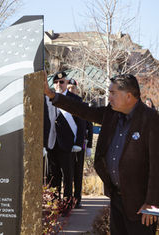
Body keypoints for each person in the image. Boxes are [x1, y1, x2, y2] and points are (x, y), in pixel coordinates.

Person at [44, 72, 159, 235]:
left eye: (112, 93)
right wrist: (52, 95)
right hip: (117, 198)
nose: (108, 97)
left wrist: (151, 203)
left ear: (129, 96)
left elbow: (158, 166)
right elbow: (83, 110)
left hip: (141, 205)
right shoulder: (111, 114)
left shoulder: (152, 119)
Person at [43, 71, 84, 200]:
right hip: (52, 142)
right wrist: (43, 144)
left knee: (68, 176)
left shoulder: (75, 99)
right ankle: (55, 204)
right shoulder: (47, 98)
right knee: (53, 176)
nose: (58, 84)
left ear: (66, 83)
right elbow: (45, 121)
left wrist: (78, 143)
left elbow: (81, 123)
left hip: (67, 144)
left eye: (61, 82)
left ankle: (67, 204)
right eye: (56, 82)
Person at [67, 78, 94, 208]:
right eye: (69, 88)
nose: (71, 90)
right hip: (65, 143)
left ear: (77, 89)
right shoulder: (63, 102)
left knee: (78, 172)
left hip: (79, 143)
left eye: (73, 88)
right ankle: (66, 199)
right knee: (67, 172)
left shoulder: (81, 103)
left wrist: (89, 146)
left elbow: (89, 125)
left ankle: (77, 199)